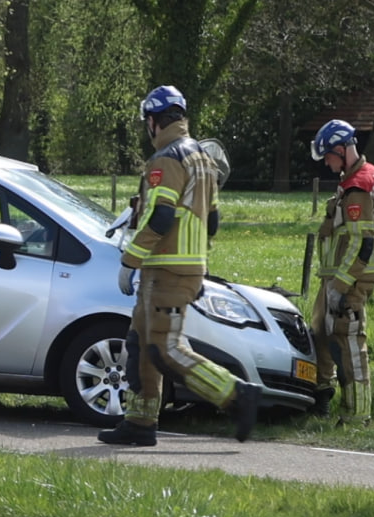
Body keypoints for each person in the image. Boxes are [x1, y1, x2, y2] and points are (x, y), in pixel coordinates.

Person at [98, 85, 260, 447]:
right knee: (139, 343)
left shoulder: (167, 159)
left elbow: (161, 217)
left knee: (163, 349)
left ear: (154, 121)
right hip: (176, 267)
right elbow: (212, 222)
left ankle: (235, 394)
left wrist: (129, 260)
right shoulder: (203, 158)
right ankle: (139, 422)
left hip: (167, 269)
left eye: (147, 123)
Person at [308, 119, 374, 424]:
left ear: (342, 150)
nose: (326, 162)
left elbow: (361, 243)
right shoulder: (357, 179)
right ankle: (322, 395)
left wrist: (340, 286)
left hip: (349, 281)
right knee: (322, 332)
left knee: (349, 342)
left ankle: (357, 414)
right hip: (336, 278)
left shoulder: (360, 186)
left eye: (328, 155)